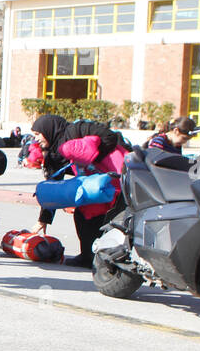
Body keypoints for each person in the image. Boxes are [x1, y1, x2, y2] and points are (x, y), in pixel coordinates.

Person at [29, 114, 127, 267]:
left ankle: (102, 258)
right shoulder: (54, 154)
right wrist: (44, 219)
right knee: (85, 215)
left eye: (37, 134)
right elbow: (53, 185)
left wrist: (91, 156)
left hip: (117, 174)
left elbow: (110, 137)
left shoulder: (76, 129)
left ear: (47, 129)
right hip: (96, 185)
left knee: (112, 217)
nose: (36, 139)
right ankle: (91, 257)